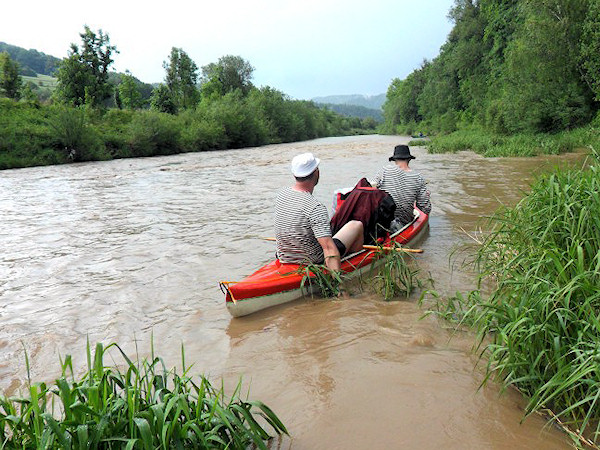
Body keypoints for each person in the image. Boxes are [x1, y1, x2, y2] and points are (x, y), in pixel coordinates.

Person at [275, 153, 364, 272]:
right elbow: (328, 248)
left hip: (285, 257)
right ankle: (356, 264)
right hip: (313, 260)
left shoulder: (282, 195)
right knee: (356, 225)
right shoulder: (315, 206)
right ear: (316, 172)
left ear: (295, 174)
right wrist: (339, 286)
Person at [372, 144, 431, 229]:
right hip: (404, 223)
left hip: (383, 222)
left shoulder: (384, 171)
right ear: (409, 159)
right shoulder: (418, 177)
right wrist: (427, 196)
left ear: (394, 160)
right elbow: (426, 209)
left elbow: (372, 189)